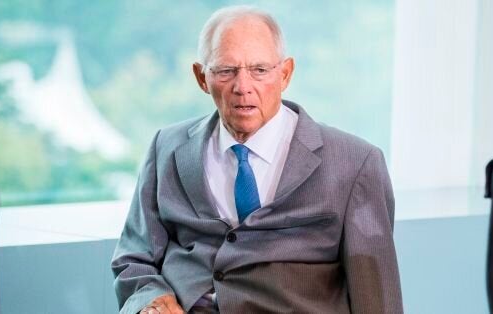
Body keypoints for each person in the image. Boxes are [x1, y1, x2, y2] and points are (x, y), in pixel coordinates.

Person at [111, 5, 403, 314]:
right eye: (226, 71)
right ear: (201, 77)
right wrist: (151, 301)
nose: (243, 87)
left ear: (286, 73)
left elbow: (377, 300)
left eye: (259, 70)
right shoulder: (166, 148)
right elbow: (134, 258)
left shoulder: (355, 162)